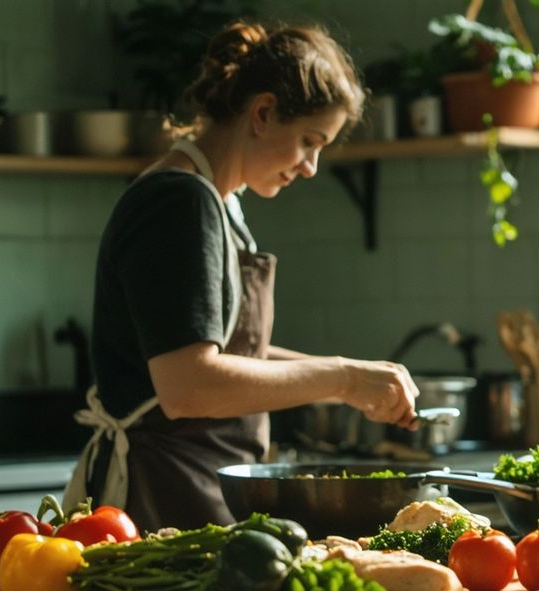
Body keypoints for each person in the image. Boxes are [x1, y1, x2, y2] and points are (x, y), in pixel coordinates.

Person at [62, 21, 419, 532]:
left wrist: (352, 382)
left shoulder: (218, 203)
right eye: (308, 142)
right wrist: (343, 376)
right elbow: (189, 386)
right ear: (263, 113)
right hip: (157, 496)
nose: (312, 167)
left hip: (197, 487)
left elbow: (230, 356)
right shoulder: (177, 202)